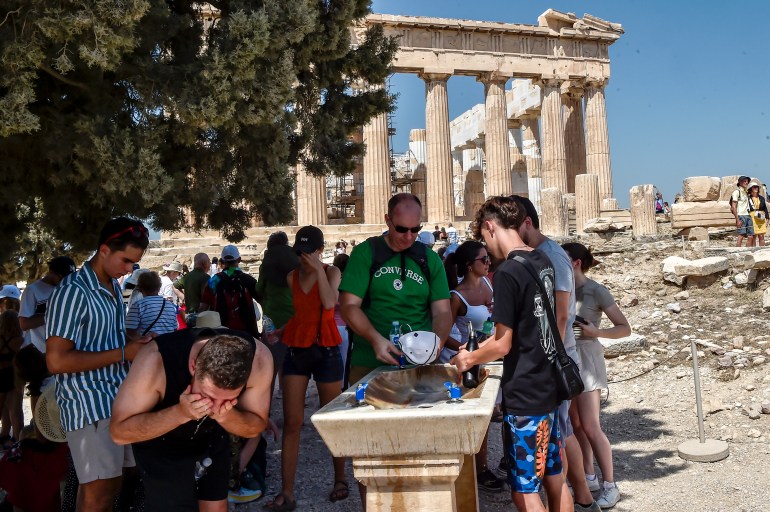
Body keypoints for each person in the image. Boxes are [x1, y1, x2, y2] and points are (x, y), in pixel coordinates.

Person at [451, 196, 571, 512]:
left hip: (525, 392)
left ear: (490, 226)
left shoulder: (506, 273)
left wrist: (469, 358)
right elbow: (526, 323)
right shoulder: (542, 260)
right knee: (555, 477)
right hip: (549, 384)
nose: (486, 248)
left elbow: (503, 344)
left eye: (483, 237)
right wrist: (485, 346)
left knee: (524, 490)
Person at [45, 217, 152, 512]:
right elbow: (56, 360)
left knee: (114, 485)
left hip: (118, 398)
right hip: (88, 403)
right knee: (98, 493)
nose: (130, 269)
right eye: (126, 260)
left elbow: (108, 336)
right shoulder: (73, 291)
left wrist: (138, 341)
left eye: (135, 263)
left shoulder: (113, 287)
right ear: (104, 249)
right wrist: (123, 353)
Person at [110, 324, 272, 512]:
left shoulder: (258, 359)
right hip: (160, 439)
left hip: (213, 436)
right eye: (208, 395)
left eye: (227, 399)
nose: (214, 405)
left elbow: (255, 427)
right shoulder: (155, 361)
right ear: (193, 365)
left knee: (216, 506)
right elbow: (119, 432)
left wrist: (226, 416)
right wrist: (180, 413)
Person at [512, 195, 600, 512]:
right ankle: (584, 496)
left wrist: (547, 357)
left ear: (526, 223)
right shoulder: (536, 254)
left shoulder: (552, 255)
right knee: (562, 434)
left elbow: (560, 315)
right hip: (553, 355)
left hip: (557, 355)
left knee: (560, 436)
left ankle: (579, 497)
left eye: (512, 226)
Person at [265, 226, 347, 511]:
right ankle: (286, 492)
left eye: (309, 251)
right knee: (293, 422)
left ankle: (340, 480)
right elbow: (304, 315)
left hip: (326, 349)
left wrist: (320, 271)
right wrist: (282, 331)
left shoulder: (332, 273)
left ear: (320, 250)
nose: (303, 257)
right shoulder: (291, 277)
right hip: (297, 349)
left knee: (331, 420)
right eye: (299, 251)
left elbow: (327, 303)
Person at [339, 193, 452, 384]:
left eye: (415, 229)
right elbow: (348, 306)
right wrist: (375, 339)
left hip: (420, 365)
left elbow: (443, 311)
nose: (409, 236)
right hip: (369, 362)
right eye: (401, 229)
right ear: (387, 220)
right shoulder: (365, 253)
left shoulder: (430, 260)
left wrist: (436, 344)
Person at [562, 243, 630, 510]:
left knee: (591, 426)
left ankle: (611, 486)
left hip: (588, 359)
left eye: (563, 259)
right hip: (568, 359)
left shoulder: (596, 290)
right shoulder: (562, 289)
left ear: (576, 262)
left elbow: (624, 328)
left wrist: (597, 333)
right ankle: (589, 476)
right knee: (575, 423)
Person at [442, 240, 503, 493]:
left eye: (488, 258)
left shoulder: (489, 282)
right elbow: (444, 332)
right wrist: (466, 349)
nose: (488, 262)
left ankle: (484, 466)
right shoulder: (456, 295)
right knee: (475, 415)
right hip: (470, 360)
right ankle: (474, 468)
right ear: (469, 265)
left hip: (494, 353)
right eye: (484, 259)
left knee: (491, 415)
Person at [17, 256, 76, 414]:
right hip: (40, 353)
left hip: (63, 351)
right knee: (41, 395)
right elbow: (24, 323)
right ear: (52, 273)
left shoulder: (65, 289)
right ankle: (39, 430)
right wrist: (51, 314)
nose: (65, 281)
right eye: (62, 277)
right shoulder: (32, 291)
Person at [200, 245, 260, 337]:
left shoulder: (214, 280)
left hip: (222, 331)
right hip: (247, 332)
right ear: (239, 260)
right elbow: (262, 299)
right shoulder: (248, 279)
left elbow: (204, 305)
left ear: (222, 261)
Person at [126, 271, 179, 339]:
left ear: (140, 288)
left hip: (148, 346)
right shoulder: (170, 305)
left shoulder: (138, 306)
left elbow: (129, 331)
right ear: (159, 287)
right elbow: (174, 329)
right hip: (168, 345)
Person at [0, 285, 23, 445]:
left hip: (0, 373)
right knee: (15, 409)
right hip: (15, 374)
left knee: (1, 407)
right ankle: (17, 438)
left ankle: (3, 434)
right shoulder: (20, 338)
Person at [332, 253, 351, 389]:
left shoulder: (331, 281)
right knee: (345, 360)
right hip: (344, 326)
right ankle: (344, 386)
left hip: (332, 324)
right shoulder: (349, 281)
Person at [730, 175, 754, 247]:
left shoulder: (746, 193)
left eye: (747, 181)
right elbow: (733, 206)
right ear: (740, 183)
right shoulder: (736, 192)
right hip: (741, 215)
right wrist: (737, 220)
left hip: (748, 215)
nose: (746, 182)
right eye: (744, 181)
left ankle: (748, 253)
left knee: (751, 236)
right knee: (741, 235)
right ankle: (737, 253)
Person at [747, 180, 768, 247]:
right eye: (754, 187)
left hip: (761, 217)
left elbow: (765, 209)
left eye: (757, 187)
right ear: (751, 189)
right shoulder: (748, 198)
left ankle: (762, 251)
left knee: (761, 236)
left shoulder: (761, 198)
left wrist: (767, 219)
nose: (756, 188)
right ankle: (754, 251)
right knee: (754, 236)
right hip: (752, 218)